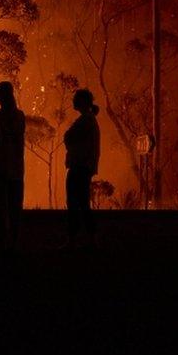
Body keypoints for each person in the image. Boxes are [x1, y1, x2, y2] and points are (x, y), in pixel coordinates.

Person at [63, 88, 100, 249]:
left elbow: (69, 137)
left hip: (79, 166)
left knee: (75, 204)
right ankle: (89, 238)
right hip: (83, 166)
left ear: (83, 102)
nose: (73, 101)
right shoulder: (88, 119)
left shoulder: (85, 120)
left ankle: (74, 239)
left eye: (76, 99)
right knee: (82, 203)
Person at [0, 81, 26, 254]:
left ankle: (1, 243)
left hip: (0, 169)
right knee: (14, 208)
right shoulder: (19, 116)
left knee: (0, 208)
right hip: (16, 170)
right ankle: (13, 242)